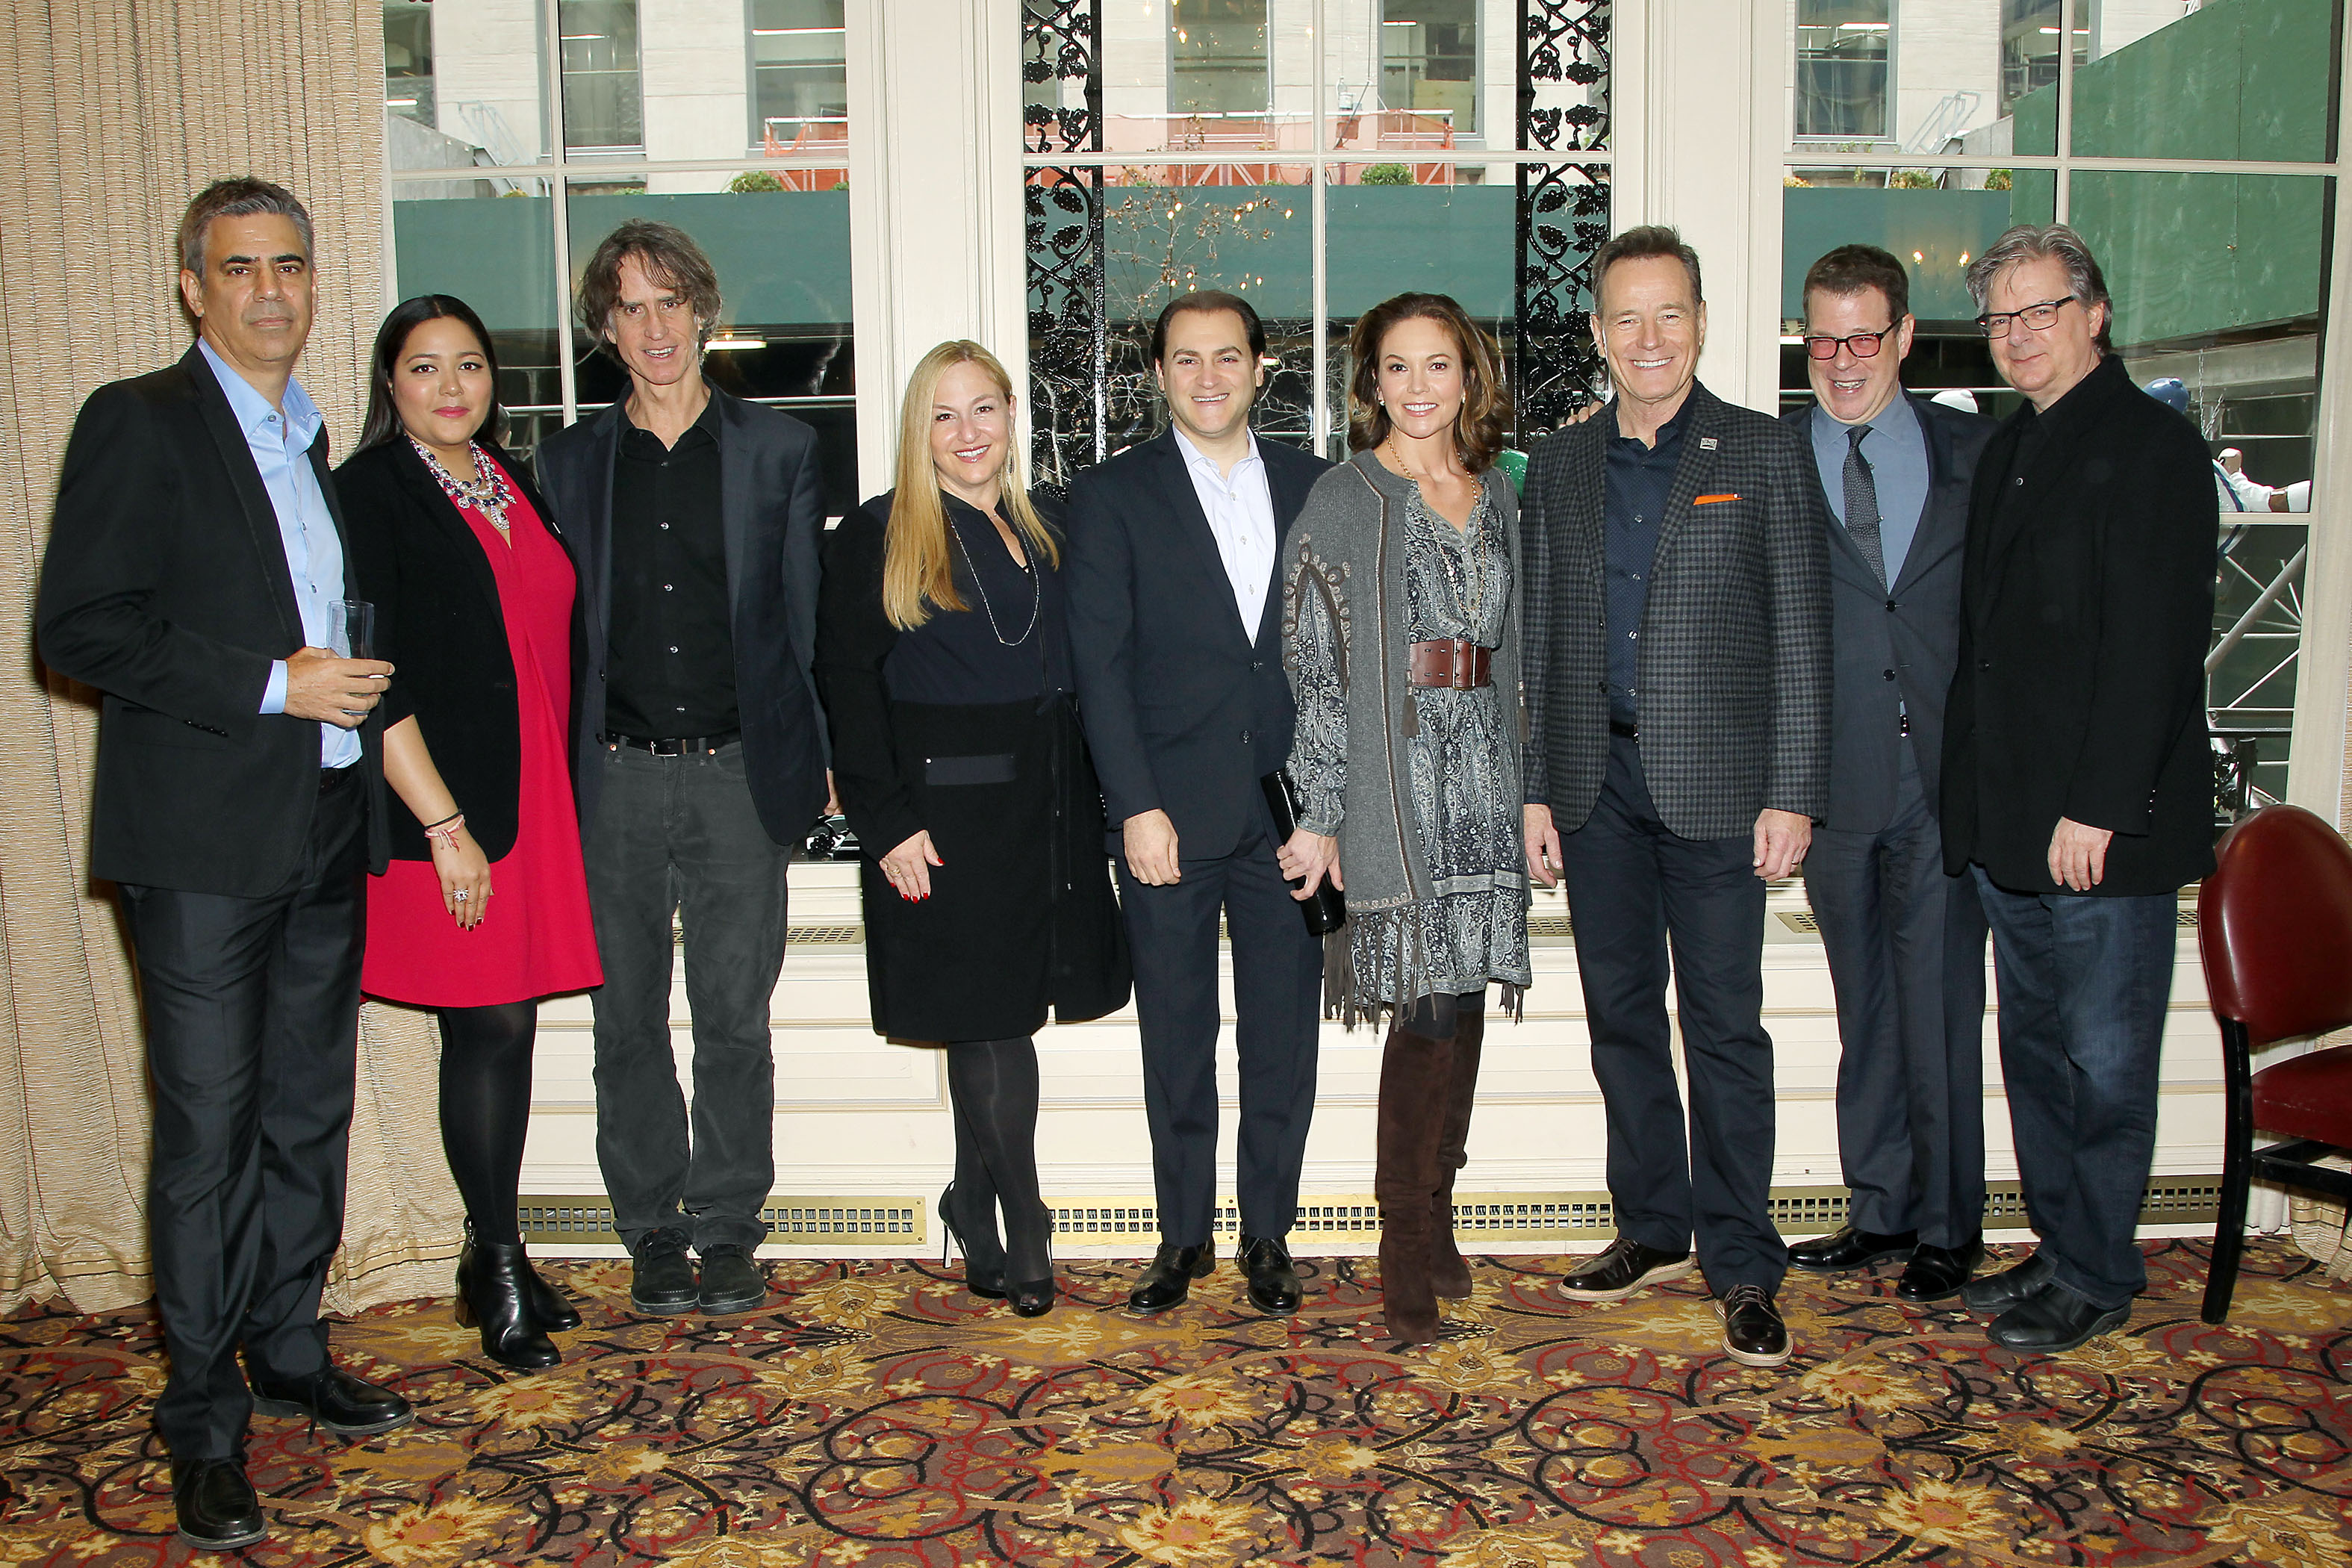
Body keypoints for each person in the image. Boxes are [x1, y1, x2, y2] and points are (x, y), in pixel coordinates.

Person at [35, 178, 410, 1552]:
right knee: (207, 1137)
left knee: (308, 1111)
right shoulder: (139, 421)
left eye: (290, 266)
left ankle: (289, 1348)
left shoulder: (310, 437)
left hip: (325, 823)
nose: (269, 291)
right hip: (198, 847)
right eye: (240, 268)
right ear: (194, 288)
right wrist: (273, 683)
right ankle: (201, 1419)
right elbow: (79, 626)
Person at [1519, 225, 1832, 1369]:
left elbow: (1803, 633)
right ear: (1598, 333)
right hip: (1592, 790)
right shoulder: (1557, 465)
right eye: (1626, 317)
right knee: (1620, 1019)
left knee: (1724, 1031)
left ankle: (1742, 1260)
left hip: (1720, 795)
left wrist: (1793, 789)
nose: (1648, 337)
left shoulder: (1762, 451)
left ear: (1698, 323)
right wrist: (1534, 792)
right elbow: (1538, 639)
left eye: (1669, 314)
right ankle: (1652, 1224)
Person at [536, 221, 830, 1319]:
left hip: (736, 777)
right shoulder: (567, 463)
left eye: (670, 301)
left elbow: (805, 625)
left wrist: (823, 761)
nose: (654, 326)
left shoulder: (778, 451)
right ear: (606, 329)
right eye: (630, 307)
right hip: (609, 780)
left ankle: (729, 1228)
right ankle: (652, 1232)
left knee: (733, 1021)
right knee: (623, 1023)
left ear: (704, 312)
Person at [1944, 225, 2216, 1353]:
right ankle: (2059, 1251)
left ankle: (2100, 1273)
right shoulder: (2012, 444)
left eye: (2039, 310)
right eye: (1999, 317)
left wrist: (2097, 807)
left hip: (2102, 831)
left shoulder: (2154, 449)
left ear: (2093, 313)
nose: (2017, 335)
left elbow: (2154, 650)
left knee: (2105, 1065)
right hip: (2012, 824)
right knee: (2039, 1057)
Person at [815, 341, 1130, 1317]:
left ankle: (970, 1201)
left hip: (1047, 804)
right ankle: (1026, 1222)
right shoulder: (879, 532)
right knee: (993, 1023)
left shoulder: (1049, 526)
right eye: (944, 415)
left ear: (1010, 415)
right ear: (920, 429)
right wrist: (885, 823)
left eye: (983, 408)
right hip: (941, 821)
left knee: (989, 1011)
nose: (967, 432)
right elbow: (845, 684)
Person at [338, 296, 603, 1369]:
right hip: (446, 809)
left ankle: (496, 1251)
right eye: (423, 367)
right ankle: (494, 1263)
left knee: (512, 1027)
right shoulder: (369, 492)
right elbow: (371, 671)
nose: (450, 387)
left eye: (469, 366)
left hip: (532, 795)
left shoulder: (507, 478)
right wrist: (444, 825)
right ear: (389, 383)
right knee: (487, 1026)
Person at [1066, 291, 1332, 1316]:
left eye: (1228, 356)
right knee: (1175, 1037)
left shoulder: (1317, 485)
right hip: (1165, 820)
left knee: (1282, 1039)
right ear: (1159, 375)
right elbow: (1099, 667)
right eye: (1187, 359)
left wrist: (1329, 809)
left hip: (1291, 820)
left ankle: (1269, 1234)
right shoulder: (1111, 495)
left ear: (1262, 368)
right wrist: (1133, 804)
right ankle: (1182, 1237)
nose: (1208, 376)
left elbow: (1338, 662)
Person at [1278, 294, 1530, 1345]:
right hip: (1397, 776)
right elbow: (1314, 669)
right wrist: (1323, 811)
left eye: (1438, 365)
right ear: (1370, 382)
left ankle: (1438, 1217)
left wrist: (1530, 788)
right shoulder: (1344, 497)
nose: (1418, 387)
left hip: (1484, 772)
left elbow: (1518, 650)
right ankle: (1401, 1249)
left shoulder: (1497, 490)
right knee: (1424, 1014)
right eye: (1396, 367)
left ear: (1468, 377)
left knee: (1462, 1010)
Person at [1777, 246, 1995, 1305]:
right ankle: (1881, 1211)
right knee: (1862, 1007)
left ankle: (1950, 1226)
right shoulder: (1771, 457)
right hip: (1827, 784)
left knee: (1940, 1010)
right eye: (1822, 339)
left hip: (1946, 778)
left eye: (1863, 336)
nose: (1842, 360)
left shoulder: (1977, 451)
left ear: (1904, 337)